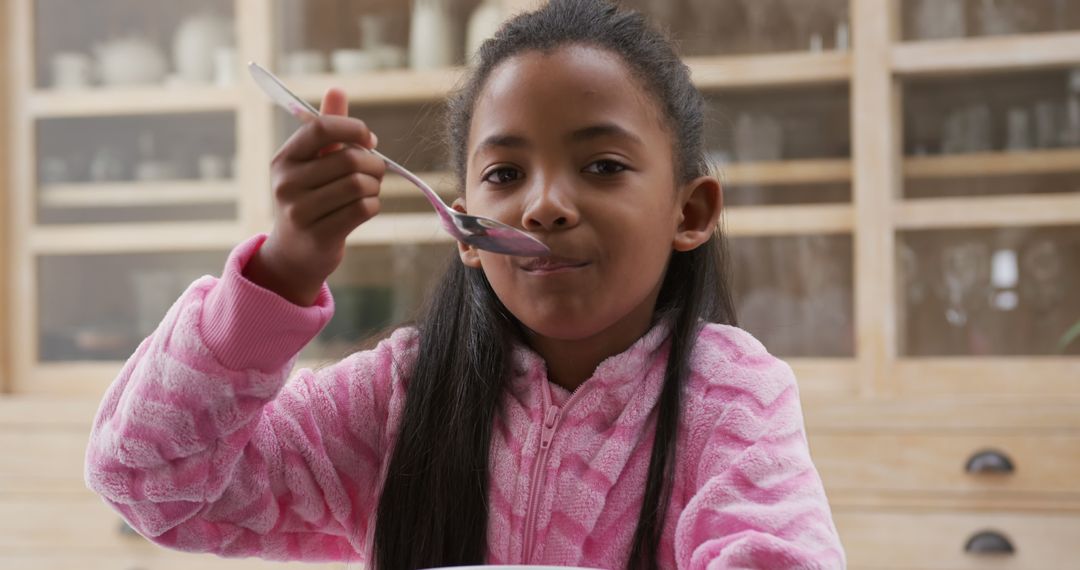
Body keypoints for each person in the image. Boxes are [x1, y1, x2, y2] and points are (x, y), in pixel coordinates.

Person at [84, 0, 846, 568]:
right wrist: (281, 272)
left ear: (691, 210)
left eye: (603, 166)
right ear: (464, 230)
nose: (544, 203)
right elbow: (149, 481)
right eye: (505, 174)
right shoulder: (396, 398)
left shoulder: (732, 401)